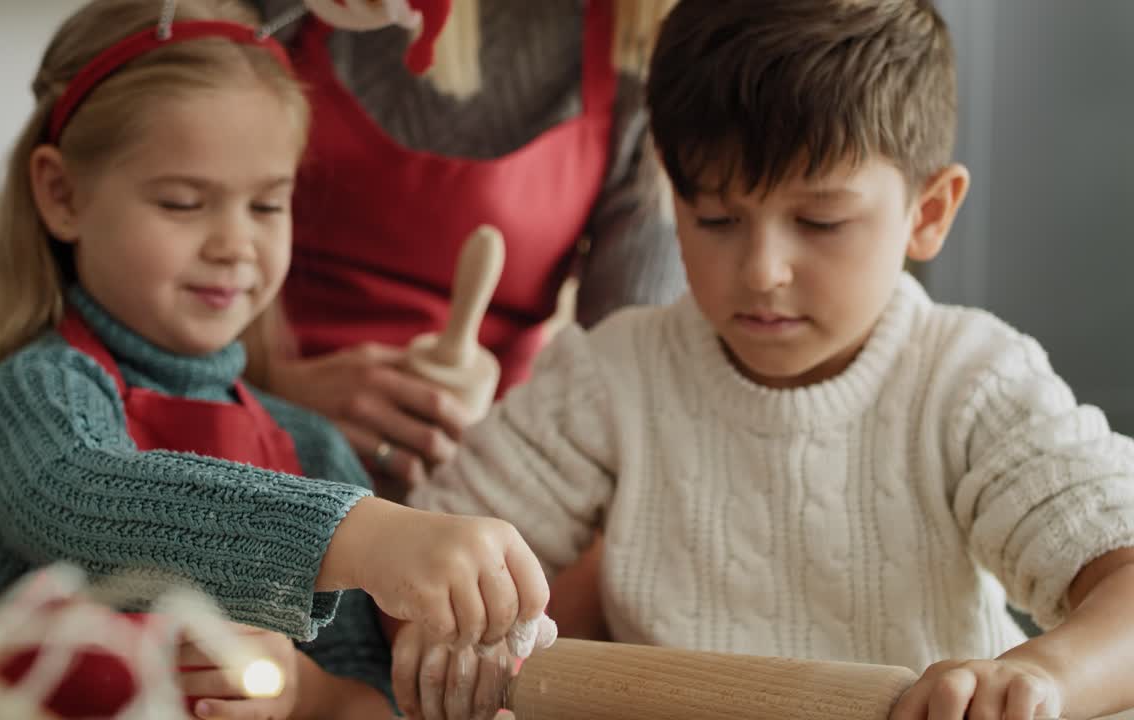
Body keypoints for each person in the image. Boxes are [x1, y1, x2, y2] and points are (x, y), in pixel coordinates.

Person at [402, 1, 1134, 719]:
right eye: (715, 218)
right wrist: (457, 639)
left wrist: (1044, 677)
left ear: (929, 212)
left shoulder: (972, 379)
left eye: (819, 221)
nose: (761, 270)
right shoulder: (612, 375)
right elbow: (421, 565)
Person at [0, 1, 551, 718]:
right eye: (183, 202)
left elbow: (372, 700)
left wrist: (303, 690)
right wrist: (367, 535)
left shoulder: (312, 446)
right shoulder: (33, 394)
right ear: (61, 193)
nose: (235, 244)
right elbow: (81, 499)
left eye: (267, 207)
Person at [247, 0, 684, 494]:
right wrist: (268, 386)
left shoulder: (647, 54)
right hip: (234, 425)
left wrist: (493, 459)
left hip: (476, 485)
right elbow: (152, 252)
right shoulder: (300, 13)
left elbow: (625, 396)